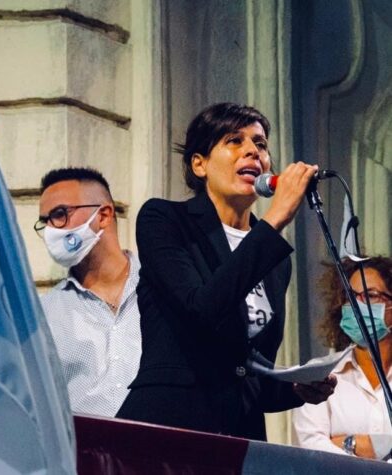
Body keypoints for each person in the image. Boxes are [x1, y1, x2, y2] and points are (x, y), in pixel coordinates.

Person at [116, 102, 336, 440]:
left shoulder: (275, 258)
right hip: (167, 429)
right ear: (200, 164)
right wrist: (276, 218)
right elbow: (200, 309)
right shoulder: (164, 220)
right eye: (234, 140)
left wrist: (296, 388)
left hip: (236, 436)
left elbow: (245, 375)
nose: (252, 151)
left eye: (260, 144)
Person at [35, 167, 141, 417]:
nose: (51, 230)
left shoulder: (161, 288)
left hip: (162, 440)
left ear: (103, 215)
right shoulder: (44, 314)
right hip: (83, 442)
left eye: (60, 214)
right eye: (45, 221)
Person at [293, 256, 392, 460]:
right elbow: (310, 449)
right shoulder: (319, 375)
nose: (356, 305)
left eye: (370, 295)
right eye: (350, 296)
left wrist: (348, 443)